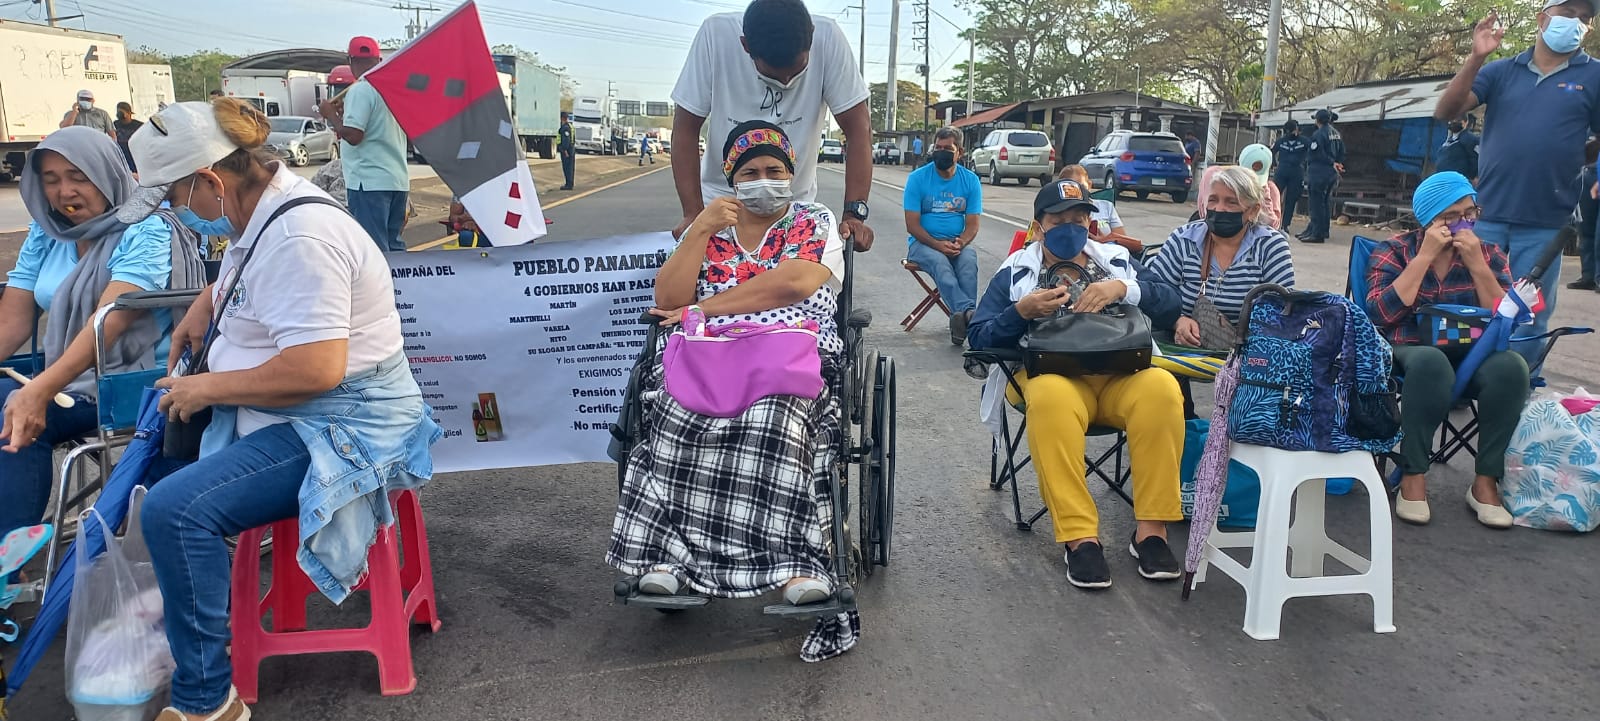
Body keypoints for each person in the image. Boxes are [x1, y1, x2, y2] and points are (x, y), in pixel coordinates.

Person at [119, 98, 439, 721]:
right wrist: (205, 303)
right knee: (157, 473)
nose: (175, 212)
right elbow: (252, 267)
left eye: (174, 198)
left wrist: (208, 389)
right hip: (304, 411)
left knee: (175, 511)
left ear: (211, 180)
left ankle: (207, 701)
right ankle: (190, 629)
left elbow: (316, 370)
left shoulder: (300, 236)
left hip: (342, 422)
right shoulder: (260, 211)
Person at [609, 120, 847, 612]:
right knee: (674, 412)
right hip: (711, 353)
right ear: (730, 176)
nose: (764, 179)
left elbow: (796, 283)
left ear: (792, 171)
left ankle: (793, 565)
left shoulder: (813, 220)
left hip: (790, 350)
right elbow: (669, 298)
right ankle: (669, 560)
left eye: (774, 169)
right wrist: (700, 227)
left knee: (775, 420)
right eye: (752, 171)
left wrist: (706, 309)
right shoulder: (712, 228)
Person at [967, 179, 1184, 590]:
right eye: (1059, 219)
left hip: (1120, 373)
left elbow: (1171, 302)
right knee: (1050, 398)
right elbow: (978, 339)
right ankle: (1080, 537)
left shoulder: (1117, 260)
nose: (1071, 225)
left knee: (1162, 389)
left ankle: (1151, 531)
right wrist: (1020, 311)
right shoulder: (1016, 270)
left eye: (1080, 217)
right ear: (1038, 226)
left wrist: (1125, 287)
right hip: (1049, 373)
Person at [0, 127, 203, 541]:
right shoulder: (48, 232)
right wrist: (40, 387)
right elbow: (14, 320)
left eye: (78, 176)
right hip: (67, 378)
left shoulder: (147, 229)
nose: (64, 191)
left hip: (135, 386)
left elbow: (108, 322)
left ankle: (10, 564)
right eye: (51, 179)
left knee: (9, 411)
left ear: (109, 173)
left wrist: (38, 390)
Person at [1434, 1, 1600, 363]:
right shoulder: (1500, 71)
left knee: (1529, 315)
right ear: (1543, 19)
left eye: (1585, 19)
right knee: (1466, 300)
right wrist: (1476, 57)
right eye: (1569, 14)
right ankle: (1459, 384)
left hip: (1547, 222)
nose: (1577, 23)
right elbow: (1446, 111)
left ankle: (1513, 393)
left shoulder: (1595, 77)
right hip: (1486, 215)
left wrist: (1580, 152)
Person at [1364, 172, 1525, 529]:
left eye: (1470, 213)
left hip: (1472, 352)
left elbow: (1505, 320)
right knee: (1430, 361)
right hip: (1409, 350)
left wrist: (1477, 267)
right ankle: (1413, 476)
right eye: (1452, 216)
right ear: (1429, 219)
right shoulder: (1393, 251)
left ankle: (1485, 482)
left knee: (1512, 367)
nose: (1464, 224)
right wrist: (1423, 258)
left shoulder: (1489, 254)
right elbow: (1382, 314)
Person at [671, 0, 876, 251]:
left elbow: (859, 130)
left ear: (812, 35)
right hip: (723, 204)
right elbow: (685, 130)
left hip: (793, 203)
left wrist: (854, 213)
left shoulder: (828, 39)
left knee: (796, 287)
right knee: (716, 287)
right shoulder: (716, 36)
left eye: (797, 70)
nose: (787, 82)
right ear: (745, 45)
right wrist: (693, 213)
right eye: (773, 74)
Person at [319, 36, 410, 253]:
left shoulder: (360, 89)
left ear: (350, 61)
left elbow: (354, 135)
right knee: (394, 246)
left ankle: (381, 288)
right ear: (378, 60)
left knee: (373, 249)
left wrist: (330, 115)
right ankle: (401, 287)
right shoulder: (391, 89)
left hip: (368, 182)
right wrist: (344, 115)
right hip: (397, 180)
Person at [903, 126, 983, 344]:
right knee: (941, 265)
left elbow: (973, 224)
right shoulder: (918, 178)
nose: (941, 152)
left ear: (960, 152)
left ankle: (960, 321)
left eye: (947, 148)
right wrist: (939, 246)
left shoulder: (970, 181)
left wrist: (961, 242)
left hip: (956, 243)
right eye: (937, 147)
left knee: (969, 261)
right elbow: (912, 225)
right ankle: (970, 317)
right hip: (922, 244)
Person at [1055, 164, 1138, 254]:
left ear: (1089, 185)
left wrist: (1106, 240)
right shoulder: (1057, 211)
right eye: (1071, 188)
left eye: (1081, 187)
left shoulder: (1106, 207)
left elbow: (1127, 243)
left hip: (1109, 255)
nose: (1078, 192)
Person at [1195, 144, 1282, 230]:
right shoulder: (1214, 176)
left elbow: (1271, 226)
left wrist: (1263, 191)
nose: (1221, 208)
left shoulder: (1271, 190)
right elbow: (1207, 214)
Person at [1302, 108, 1345, 244]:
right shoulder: (1336, 133)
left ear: (1317, 120)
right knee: (1325, 203)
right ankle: (1323, 230)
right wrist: (1336, 163)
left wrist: (1331, 162)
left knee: (1316, 204)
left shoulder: (1318, 134)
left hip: (1318, 172)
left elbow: (1316, 154)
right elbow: (1342, 152)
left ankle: (1316, 234)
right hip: (1331, 174)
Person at [1272, 120, 1309, 234]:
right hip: (1283, 170)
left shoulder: (1304, 141)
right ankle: (1275, 222)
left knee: (1291, 199)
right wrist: (1274, 164)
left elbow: (1312, 152)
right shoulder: (1281, 141)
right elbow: (1271, 152)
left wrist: (1307, 166)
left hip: (1296, 171)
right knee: (1275, 196)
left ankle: (1285, 224)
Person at [1435, 116, 1480, 181]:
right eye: (1451, 121)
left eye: (1457, 120)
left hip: (1459, 180)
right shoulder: (1448, 140)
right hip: (1444, 179)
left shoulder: (1470, 139)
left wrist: (1473, 177)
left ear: (1465, 122)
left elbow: (1476, 158)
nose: (1453, 122)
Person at [113, 101, 143, 171]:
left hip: (135, 155)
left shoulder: (138, 125)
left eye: (122, 112)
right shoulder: (115, 124)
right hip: (121, 155)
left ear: (129, 112)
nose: (119, 114)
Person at [557, 111, 575, 190]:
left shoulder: (565, 128)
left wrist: (564, 150)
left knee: (567, 168)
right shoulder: (571, 126)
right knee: (570, 167)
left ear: (562, 118)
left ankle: (568, 184)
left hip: (567, 151)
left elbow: (566, 140)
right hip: (571, 149)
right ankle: (569, 183)